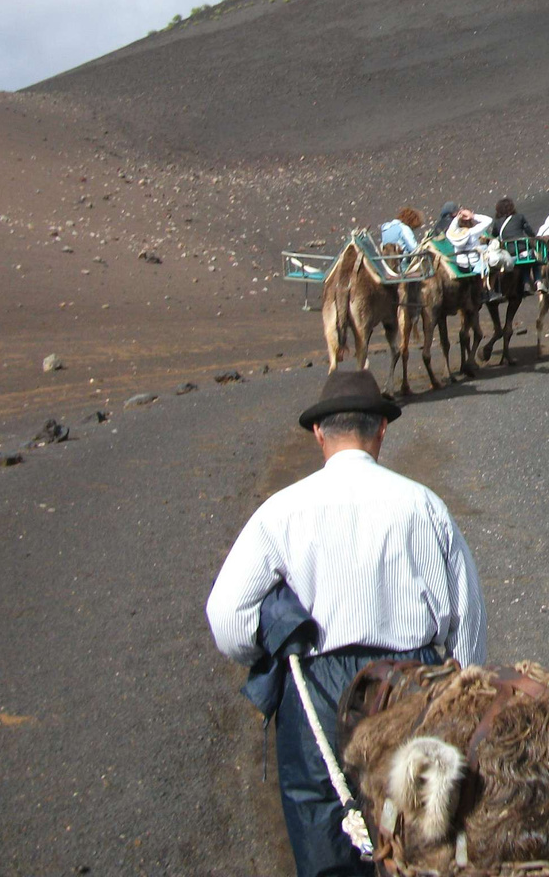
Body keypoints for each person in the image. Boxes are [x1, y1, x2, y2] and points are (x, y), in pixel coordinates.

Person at [206, 370, 486, 877]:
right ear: (381, 429)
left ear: (319, 433)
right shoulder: (424, 507)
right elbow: (464, 620)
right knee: (419, 837)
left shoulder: (280, 513)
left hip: (316, 688)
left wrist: (266, 653)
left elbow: (226, 618)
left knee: (323, 833)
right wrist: (461, 702)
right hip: (409, 684)